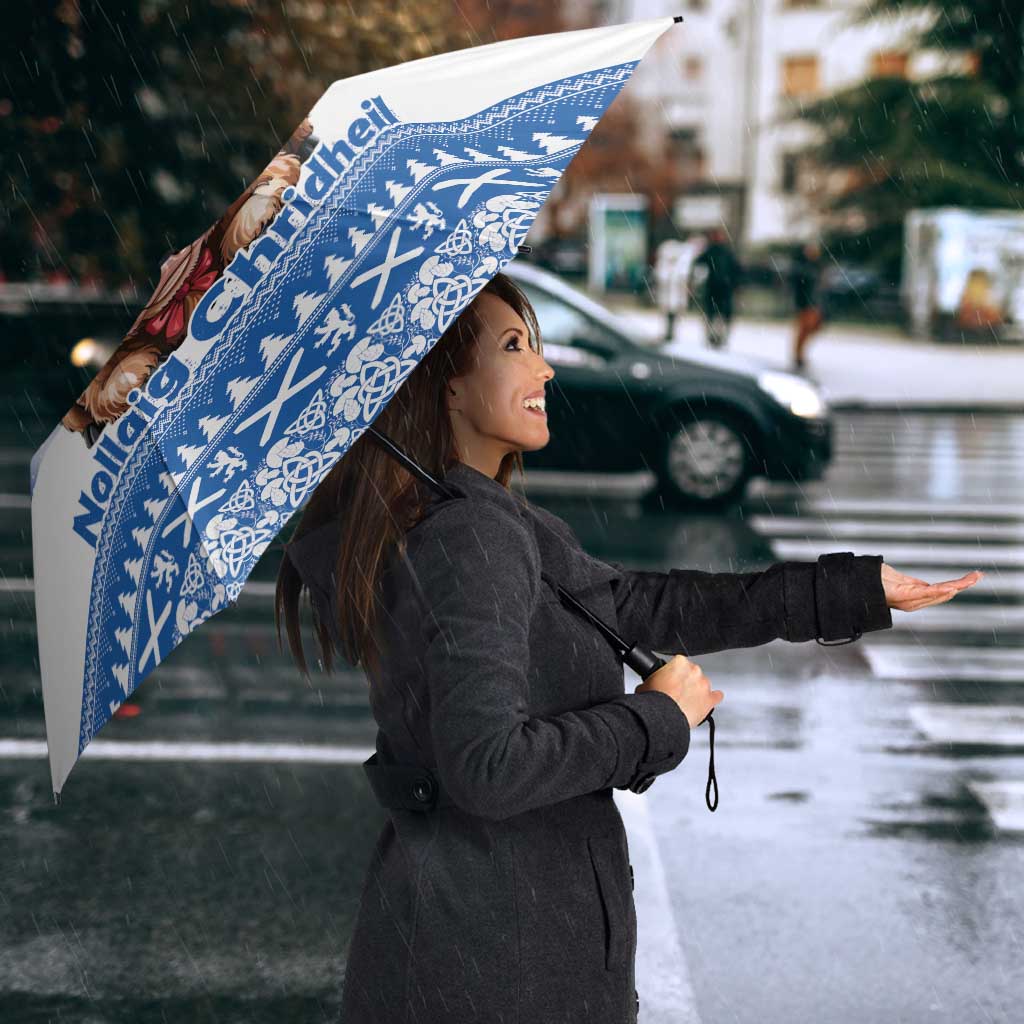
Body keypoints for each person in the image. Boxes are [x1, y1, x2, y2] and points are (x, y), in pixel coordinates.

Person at [276, 272, 981, 1024]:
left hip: (475, 941)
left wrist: (849, 590)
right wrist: (655, 719)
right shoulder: (471, 536)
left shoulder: (471, 518)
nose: (545, 368)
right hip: (499, 962)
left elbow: (640, 606)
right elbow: (488, 767)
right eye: (514, 347)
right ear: (446, 385)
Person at [692, 226, 742, 349]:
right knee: (714, 314)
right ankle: (713, 337)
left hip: (722, 289)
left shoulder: (724, 252)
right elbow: (698, 263)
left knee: (719, 315)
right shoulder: (714, 251)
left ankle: (719, 337)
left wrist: (735, 284)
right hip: (716, 288)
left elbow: (736, 270)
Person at [790, 239, 826, 371]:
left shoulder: (816, 266)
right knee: (804, 329)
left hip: (814, 303)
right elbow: (799, 286)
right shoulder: (802, 267)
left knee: (812, 327)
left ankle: (799, 354)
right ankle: (798, 355)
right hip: (805, 303)